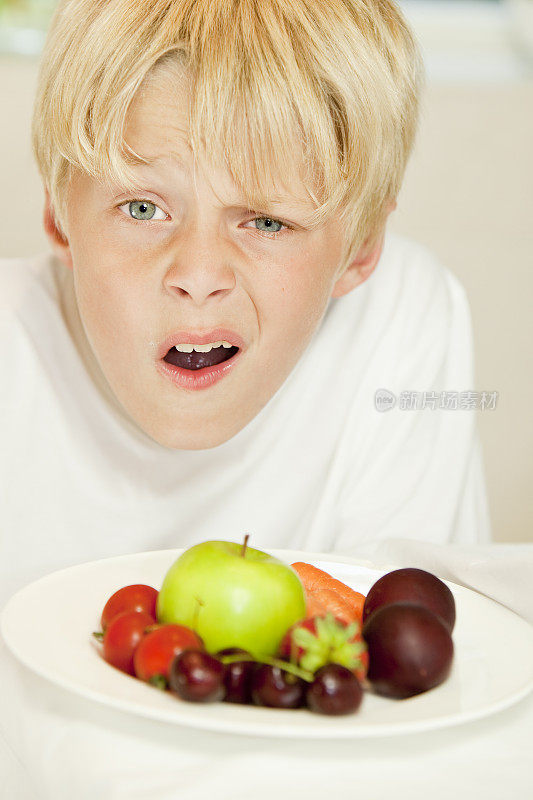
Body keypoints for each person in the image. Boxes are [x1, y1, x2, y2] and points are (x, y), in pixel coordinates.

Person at [0, 0, 491, 610]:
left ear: (362, 247)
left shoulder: (404, 314)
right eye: (143, 209)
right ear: (59, 214)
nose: (199, 276)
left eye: (266, 221)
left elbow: (405, 653)